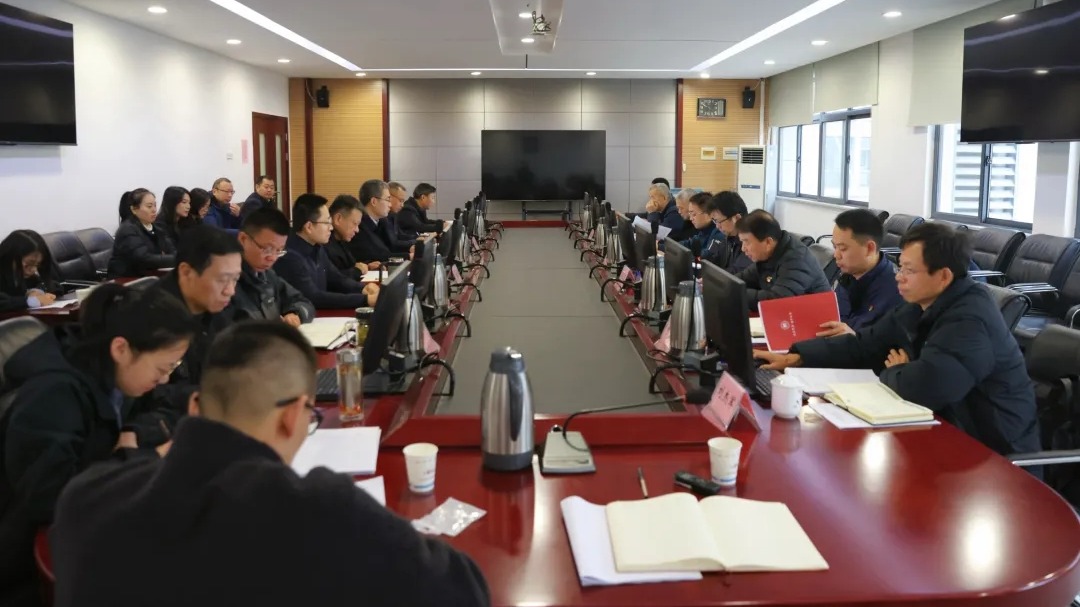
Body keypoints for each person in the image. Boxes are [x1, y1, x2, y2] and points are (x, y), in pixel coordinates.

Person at [50, 321, 490, 607]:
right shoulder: (322, 511)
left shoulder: (86, 496)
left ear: (197, 406)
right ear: (293, 415)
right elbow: (463, 592)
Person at [755, 223, 1041, 458]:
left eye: (909, 271)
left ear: (943, 276)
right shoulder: (920, 302)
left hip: (993, 454)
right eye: (900, 267)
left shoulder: (970, 320)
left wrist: (896, 370)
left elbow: (926, 388)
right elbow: (865, 344)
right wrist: (797, 357)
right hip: (943, 433)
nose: (899, 278)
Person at [0, 284, 197, 607]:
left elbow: (163, 404)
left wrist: (133, 433)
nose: (164, 379)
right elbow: (51, 498)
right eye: (164, 368)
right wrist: (139, 457)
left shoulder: (112, 370)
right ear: (121, 349)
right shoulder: (53, 395)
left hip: (94, 519)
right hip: (31, 559)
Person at [142, 225, 242, 428]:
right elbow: (149, 396)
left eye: (235, 279)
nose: (230, 291)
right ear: (186, 272)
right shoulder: (153, 316)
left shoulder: (214, 306)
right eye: (222, 280)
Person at [275, 193, 379, 310]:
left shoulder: (317, 248)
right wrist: (365, 300)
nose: (331, 227)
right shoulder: (290, 256)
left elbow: (337, 279)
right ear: (309, 227)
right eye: (327, 223)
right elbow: (314, 297)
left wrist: (362, 288)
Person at [816, 208, 903, 337]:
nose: (836, 255)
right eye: (835, 247)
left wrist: (854, 339)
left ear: (869, 248)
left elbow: (891, 345)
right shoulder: (848, 277)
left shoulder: (897, 291)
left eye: (843, 249)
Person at [232, 207, 315, 326]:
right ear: (243, 239)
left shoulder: (267, 275)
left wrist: (296, 314)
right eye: (267, 249)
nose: (272, 258)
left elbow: (304, 302)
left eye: (279, 251)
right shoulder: (227, 281)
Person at [733, 210, 830, 309]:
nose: (743, 248)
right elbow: (740, 280)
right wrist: (728, 286)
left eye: (747, 242)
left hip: (814, 316)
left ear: (768, 242)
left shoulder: (796, 260)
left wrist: (738, 294)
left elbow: (778, 301)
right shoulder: (768, 254)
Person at [107, 189, 176, 278]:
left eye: (155, 205)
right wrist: (178, 259)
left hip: (149, 275)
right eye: (149, 206)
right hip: (126, 279)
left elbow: (171, 249)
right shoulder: (127, 229)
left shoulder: (157, 228)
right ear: (134, 209)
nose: (154, 210)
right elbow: (144, 259)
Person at [0, 230, 61, 312]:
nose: (33, 270)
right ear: (11, 255)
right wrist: (30, 301)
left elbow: (55, 286)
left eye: (37, 265)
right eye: (28, 264)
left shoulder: (23, 275)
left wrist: (36, 291)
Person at [350, 179, 398, 265]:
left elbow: (392, 245)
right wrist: (409, 256)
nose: (390, 205)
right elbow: (380, 255)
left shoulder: (381, 221)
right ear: (374, 201)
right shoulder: (360, 226)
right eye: (387, 200)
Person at [325, 194, 370, 281]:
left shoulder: (341, 240)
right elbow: (333, 278)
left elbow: (351, 266)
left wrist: (366, 266)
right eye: (355, 224)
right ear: (338, 219)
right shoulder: (324, 244)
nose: (357, 230)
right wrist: (357, 271)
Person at [708, 191, 752, 274]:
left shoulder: (751, 242)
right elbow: (712, 259)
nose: (717, 226)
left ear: (737, 218)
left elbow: (736, 273)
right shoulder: (728, 238)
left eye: (719, 221)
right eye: (715, 221)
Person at [382, 182, 418, 255]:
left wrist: (418, 238)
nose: (402, 205)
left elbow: (400, 235)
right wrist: (415, 242)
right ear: (389, 197)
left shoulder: (393, 215)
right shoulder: (383, 217)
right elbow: (393, 244)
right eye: (401, 200)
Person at [679, 192, 720, 257]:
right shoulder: (702, 231)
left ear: (708, 214)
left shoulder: (718, 232)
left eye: (694, 214)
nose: (691, 218)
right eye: (690, 214)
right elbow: (688, 244)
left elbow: (707, 256)